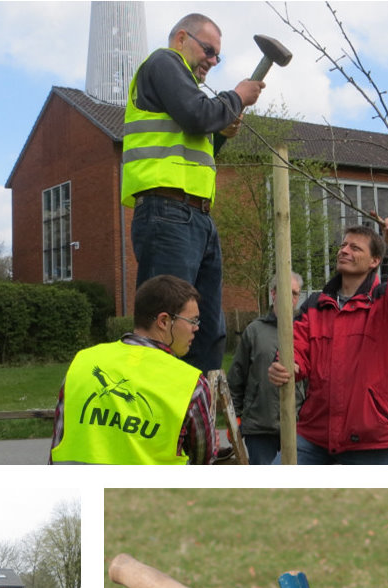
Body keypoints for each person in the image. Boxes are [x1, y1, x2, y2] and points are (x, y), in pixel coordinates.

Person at [122, 13, 265, 373]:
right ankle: (157, 409)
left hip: (197, 217)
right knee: (166, 324)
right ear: (181, 38)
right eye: (209, 50)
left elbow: (199, 137)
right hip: (167, 212)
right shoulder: (163, 62)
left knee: (205, 326)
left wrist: (221, 133)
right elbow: (197, 115)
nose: (213, 61)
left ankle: (196, 407)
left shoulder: (186, 89)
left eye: (218, 56)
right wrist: (237, 97)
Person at [267, 220, 388, 464]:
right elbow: (296, 348)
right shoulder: (316, 305)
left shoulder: (386, 303)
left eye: (355, 248)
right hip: (314, 435)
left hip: (370, 440)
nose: (344, 251)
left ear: (374, 261)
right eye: (343, 246)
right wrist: (287, 366)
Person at [50, 274, 217, 464]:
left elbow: (58, 442)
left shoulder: (83, 362)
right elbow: (204, 463)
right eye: (193, 321)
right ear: (163, 321)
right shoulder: (190, 383)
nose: (196, 328)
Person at [227, 272, 306, 464]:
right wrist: (235, 418)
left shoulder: (305, 330)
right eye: (286, 292)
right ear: (273, 293)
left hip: (297, 427)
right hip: (260, 427)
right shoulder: (254, 331)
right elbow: (236, 379)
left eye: (295, 293)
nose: (291, 298)